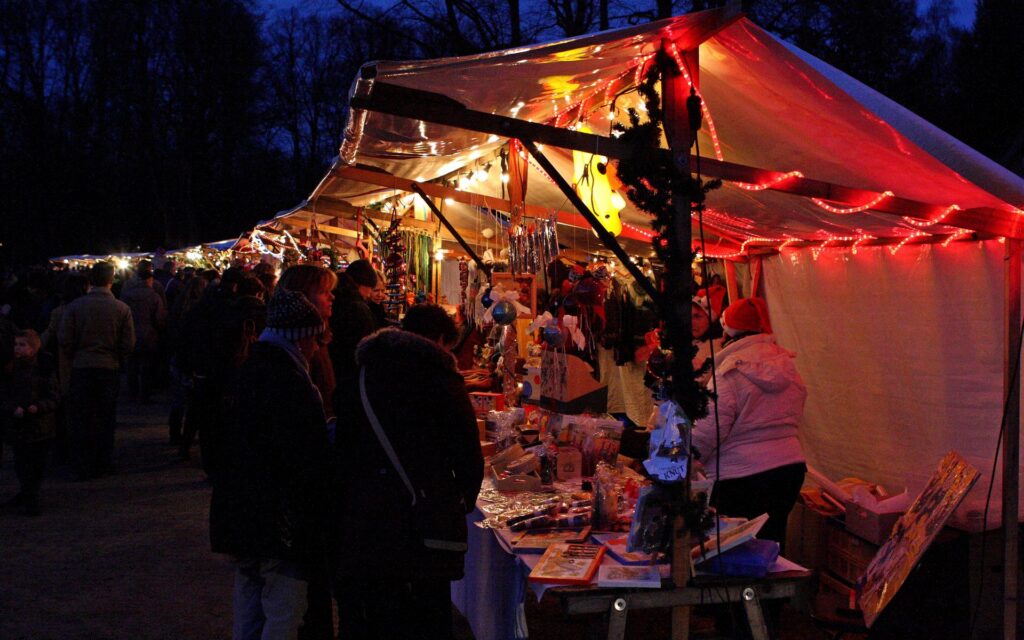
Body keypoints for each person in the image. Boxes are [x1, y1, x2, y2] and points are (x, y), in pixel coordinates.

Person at [334, 304, 483, 639]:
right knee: (427, 610)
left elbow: (343, 442)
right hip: (423, 518)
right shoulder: (441, 378)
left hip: (366, 515)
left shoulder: (362, 372)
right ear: (442, 340)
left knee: (376, 608)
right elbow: (467, 452)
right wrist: (462, 500)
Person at [209, 289, 332, 640]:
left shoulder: (250, 368)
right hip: (278, 521)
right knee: (284, 610)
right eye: (315, 338)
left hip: (240, 514)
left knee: (249, 604)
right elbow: (301, 454)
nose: (316, 347)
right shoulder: (289, 379)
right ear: (302, 337)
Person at [691, 297, 806, 547]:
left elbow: (707, 432)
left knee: (737, 550)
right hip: (789, 470)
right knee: (771, 542)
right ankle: (773, 587)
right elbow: (796, 413)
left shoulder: (728, 373)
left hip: (741, 478)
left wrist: (686, 460)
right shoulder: (788, 366)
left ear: (728, 331)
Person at [58, 261, 135, 480]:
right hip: (108, 367)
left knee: (82, 418)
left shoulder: (75, 307)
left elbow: (65, 339)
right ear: (112, 280)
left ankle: (83, 463)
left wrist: (77, 354)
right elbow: (128, 343)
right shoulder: (121, 308)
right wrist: (119, 359)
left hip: (82, 367)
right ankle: (103, 461)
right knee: (105, 416)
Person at [1, 330, 59, 515]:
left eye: (22, 345)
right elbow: (4, 395)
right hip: (20, 426)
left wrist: (39, 407)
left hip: (40, 425)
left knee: (37, 464)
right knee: (23, 463)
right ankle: (29, 498)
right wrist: (12, 408)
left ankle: (29, 494)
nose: (18, 348)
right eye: (16, 344)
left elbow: (53, 397)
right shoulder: (10, 369)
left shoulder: (44, 368)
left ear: (34, 349)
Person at [328, 259, 378, 397]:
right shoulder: (356, 306)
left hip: (335, 368)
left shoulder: (336, 297)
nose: (370, 293)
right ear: (363, 284)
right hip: (351, 373)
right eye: (371, 288)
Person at [120, 262, 167, 402]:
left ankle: (132, 392)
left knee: (132, 364)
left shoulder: (127, 291)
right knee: (147, 365)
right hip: (148, 333)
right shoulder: (154, 294)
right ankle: (145, 393)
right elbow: (160, 317)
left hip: (131, 331)